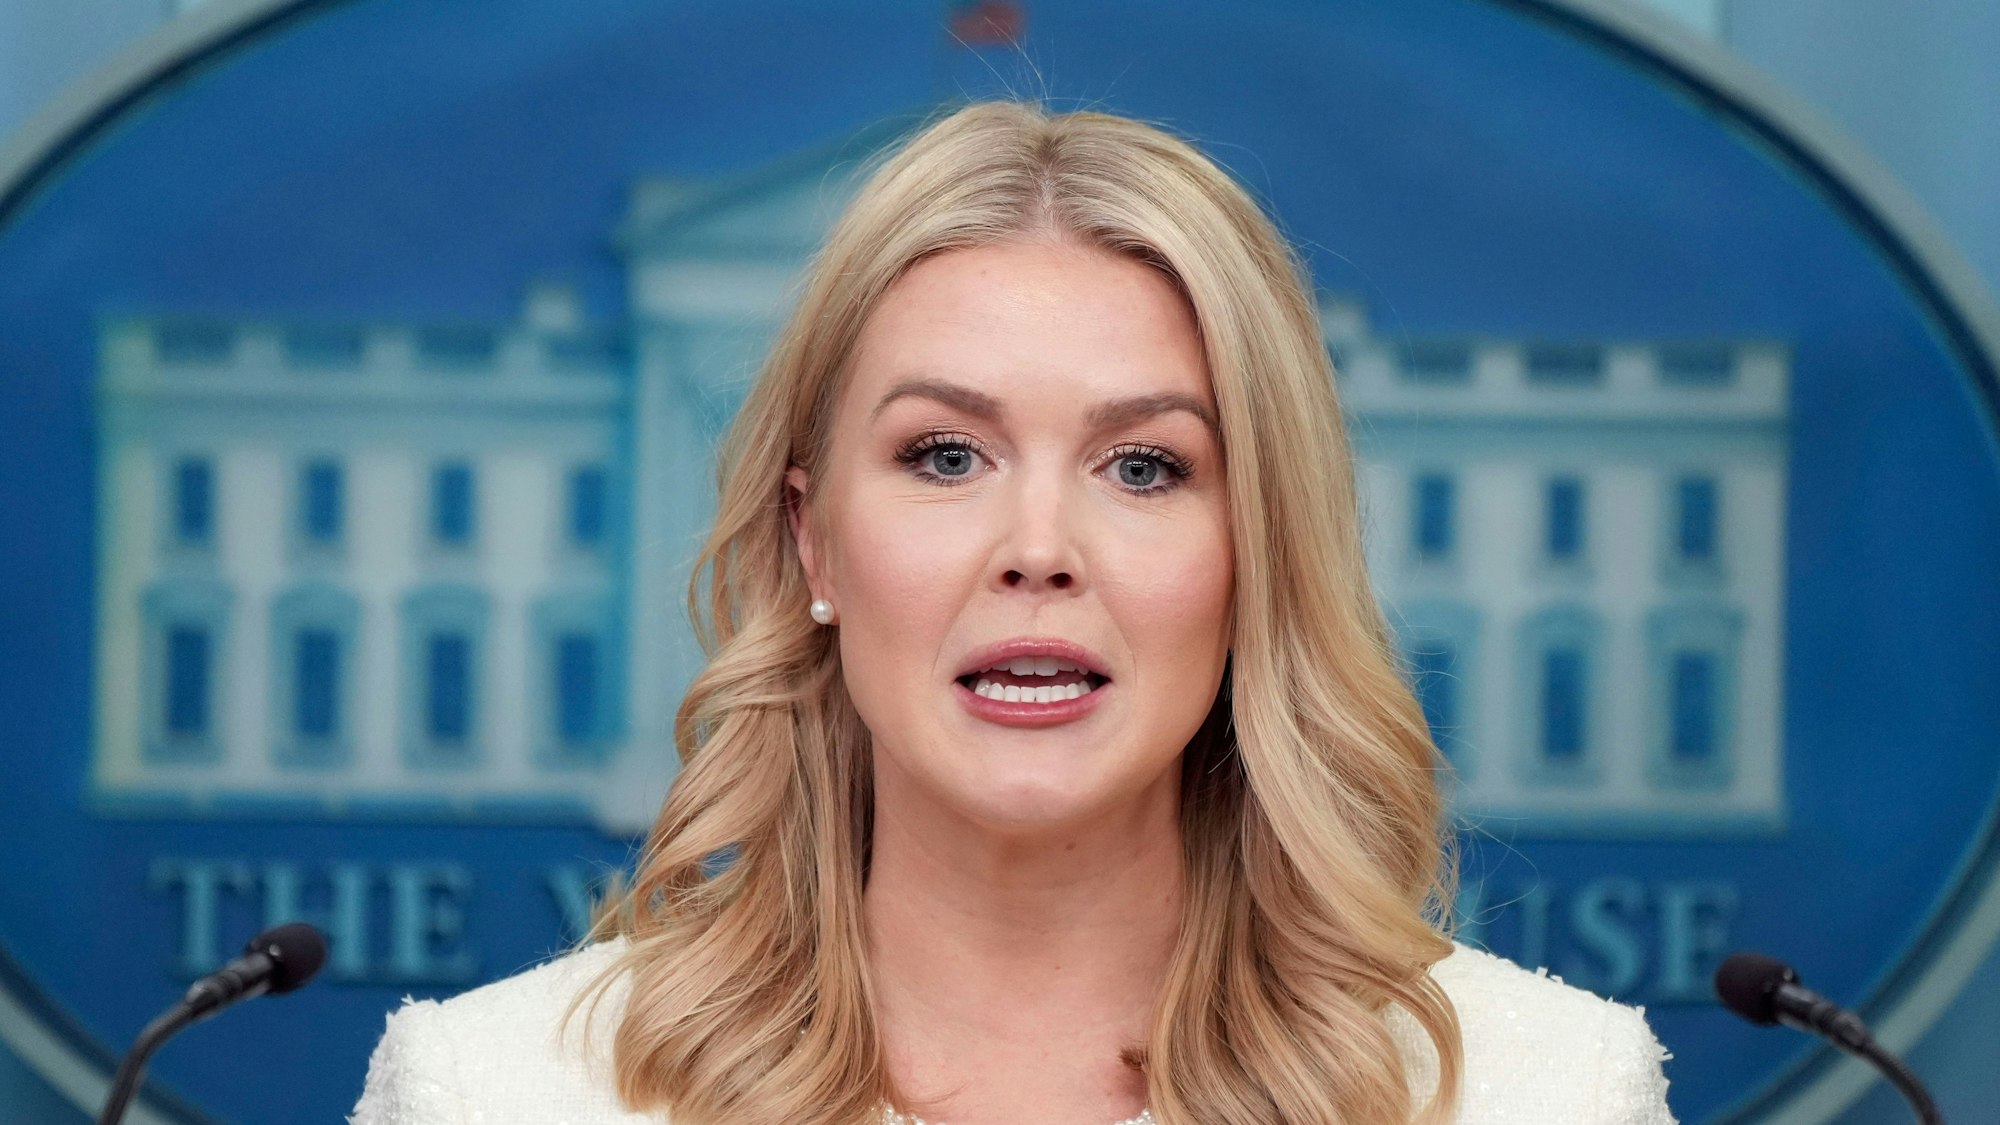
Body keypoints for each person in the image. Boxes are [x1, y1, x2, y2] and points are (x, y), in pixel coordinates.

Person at [350, 98, 1674, 1125]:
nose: (1038, 550)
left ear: (1259, 550)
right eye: (945, 456)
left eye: (1144, 465)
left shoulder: (1546, 1089)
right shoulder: (496, 1087)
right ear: (814, 540)